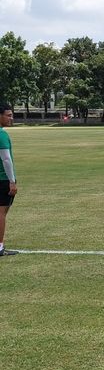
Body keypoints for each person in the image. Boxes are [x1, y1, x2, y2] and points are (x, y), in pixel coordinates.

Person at [0, 105, 18, 257]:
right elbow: (6, 159)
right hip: (2, 179)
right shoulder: (2, 135)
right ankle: (0, 246)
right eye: (8, 115)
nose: (11, 118)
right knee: (1, 213)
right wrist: (12, 181)